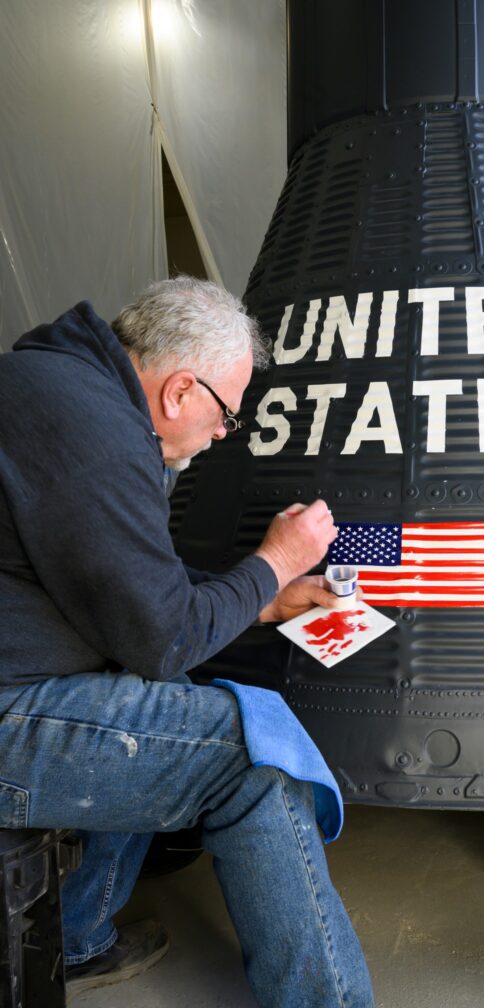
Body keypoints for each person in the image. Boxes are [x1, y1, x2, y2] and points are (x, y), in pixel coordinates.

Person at [0, 276, 374, 1008]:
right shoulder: (98, 439)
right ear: (179, 392)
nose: (221, 435)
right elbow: (163, 639)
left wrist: (265, 601)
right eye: (225, 414)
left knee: (160, 703)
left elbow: (125, 578)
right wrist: (276, 560)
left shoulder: (48, 385)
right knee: (254, 760)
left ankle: (74, 940)